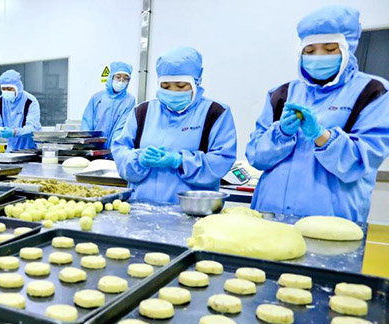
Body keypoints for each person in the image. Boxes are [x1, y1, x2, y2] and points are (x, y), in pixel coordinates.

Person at [247, 5, 389, 222]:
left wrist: (322, 136)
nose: (318, 56)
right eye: (310, 51)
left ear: (347, 48)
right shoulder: (281, 94)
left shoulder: (372, 92)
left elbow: (360, 162)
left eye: (330, 49)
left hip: (329, 219)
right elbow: (256, 157)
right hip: (269, 213)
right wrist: (281, 134)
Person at [111, 47, 237, 204]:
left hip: (192, 211)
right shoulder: (142, 112)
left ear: (196, 81)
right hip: (140, 207)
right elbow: (120, 150)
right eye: (165, 86)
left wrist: (180, 161)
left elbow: (222, 160)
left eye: (181, 85)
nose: (173, 91)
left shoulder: (215, 113)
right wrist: (139, 159)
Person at [0, 70, 42, 154]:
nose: (6, 91)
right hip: (11, 151)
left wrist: (14, 132)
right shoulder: (0, 102)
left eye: (9, 89)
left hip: (29, 151)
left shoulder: (30, 101)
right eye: (3, 89)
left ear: (17, 87)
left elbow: (33, 128)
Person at [82, 61, 136, 148]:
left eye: (125, 79)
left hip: (115, 150)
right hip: (94, 149)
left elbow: (122, 126)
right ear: (111, 77)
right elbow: (87, 124)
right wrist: (87, 146)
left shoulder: (129, 100)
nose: (121, 82)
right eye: (118, 77)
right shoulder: (97, 98)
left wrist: (115, 149)